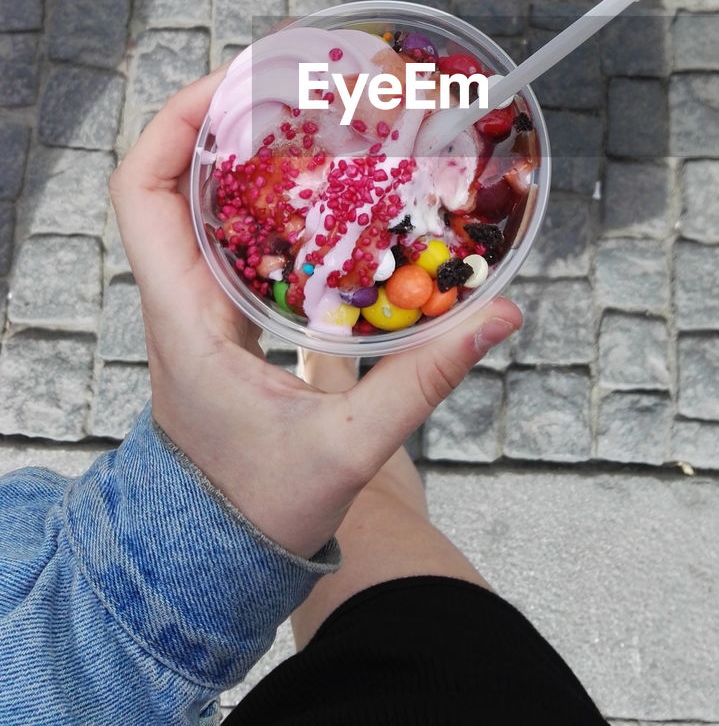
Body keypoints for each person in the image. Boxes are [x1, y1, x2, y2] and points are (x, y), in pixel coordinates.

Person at [0, 69, 607, 725]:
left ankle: (327, 357)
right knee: (372, 505)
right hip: (482, 690)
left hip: (395, 676)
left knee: (369, 505)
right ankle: (328, 350)